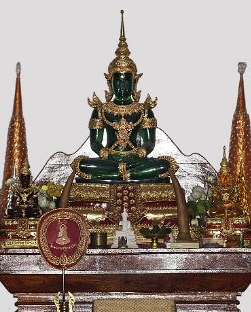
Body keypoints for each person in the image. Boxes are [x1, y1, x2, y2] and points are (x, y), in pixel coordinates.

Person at [70, 11, 177, 183]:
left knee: (165, 165)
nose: (122, 87)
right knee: (81, 165)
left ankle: (120, 175)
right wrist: (104, 153)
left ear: (135, 82)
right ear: (109, 83)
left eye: (126, 82)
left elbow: (149, 143)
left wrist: (140, 153)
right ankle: (125, 174)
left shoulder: (144, 110)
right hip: (109, 160)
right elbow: (95, 143)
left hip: (136, 160)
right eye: (117, 82)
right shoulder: (101, 110)